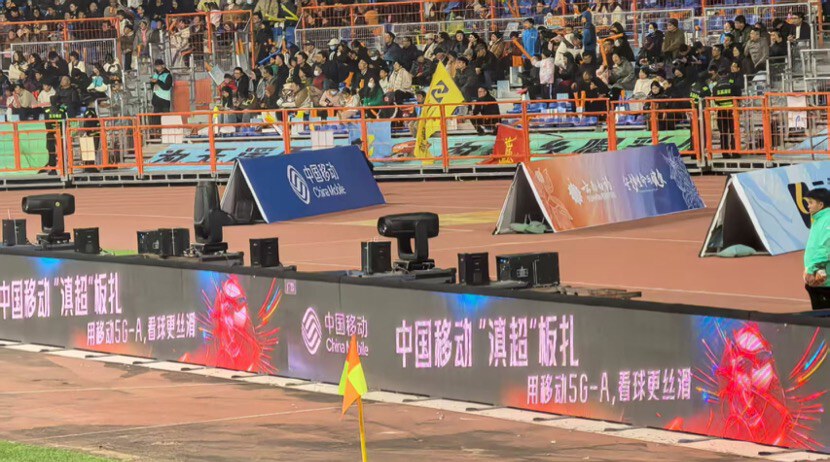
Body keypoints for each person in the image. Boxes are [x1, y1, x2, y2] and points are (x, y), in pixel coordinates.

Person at [804, 188, 830, 309]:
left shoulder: (827, 220)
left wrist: (812, 270)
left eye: (811, 202)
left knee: (822, 314)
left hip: (824, 279)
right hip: (820, 276)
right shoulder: (819, 219)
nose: (808, 206)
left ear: (820, 205)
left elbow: (825, 249)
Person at [712, 67, 736, 158]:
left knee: (723, 132)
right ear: (727, 74)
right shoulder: (732, 84)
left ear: (718, 74)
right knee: (733, 132)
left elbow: (715, 100)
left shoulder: (715, 86)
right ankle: (735, 152)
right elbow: (738, 96)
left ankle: (724, 153)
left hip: (721, 111)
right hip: (732, 111)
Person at [42, 99, 67, 175]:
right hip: (60, 133)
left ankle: (54, 169)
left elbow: (47, 123)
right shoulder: (62, 110)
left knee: (52, 152)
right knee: (61, 151)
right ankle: (62, 169)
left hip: (51, 134)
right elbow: (64, 122)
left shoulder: (47, 110)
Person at [149, 59, 173, 130]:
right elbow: (152, 87)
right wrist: (152, 82)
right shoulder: (155, 74)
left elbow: (167, 87)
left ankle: (166, 132)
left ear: (163, 65)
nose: (157, 67)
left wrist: (157, 81)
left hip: (165, 100)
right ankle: (156, 132)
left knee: (166, 118)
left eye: (158, 66)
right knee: (156, 119)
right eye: (156, 66)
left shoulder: (168, 75)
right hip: (156, 99)